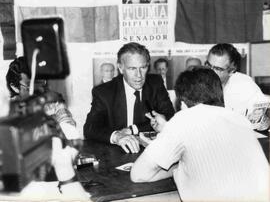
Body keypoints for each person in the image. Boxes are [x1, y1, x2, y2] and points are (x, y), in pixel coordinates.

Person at [131, 66, 269, 202]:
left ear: (183, 104)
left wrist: (178, 167)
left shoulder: (182, 120)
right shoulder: (239, 119)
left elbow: (138, 174)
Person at [83, 42, 175, 154]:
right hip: (118, 153)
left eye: (143, 67)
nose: (139, 75)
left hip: (152, 153)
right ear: (121, 68)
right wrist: (117, 136)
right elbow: (90, 128)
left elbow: (169, 116)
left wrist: (133, 129)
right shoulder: (104, 92)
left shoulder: (156, 83)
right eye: (132, 69)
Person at [6, 56, 76, 127]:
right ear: (14, 87)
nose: (39, 88)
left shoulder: (54, 103)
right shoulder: (5, 109)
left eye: (41, 81)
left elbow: (66, 122)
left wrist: (67, 128)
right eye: (30, 84)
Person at [205, 43, 267, 116]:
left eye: (218, 69)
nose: (210, 71)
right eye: (208, 65)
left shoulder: (245, 84)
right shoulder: (196, 81)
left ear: (231, 71)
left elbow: (262, 114)